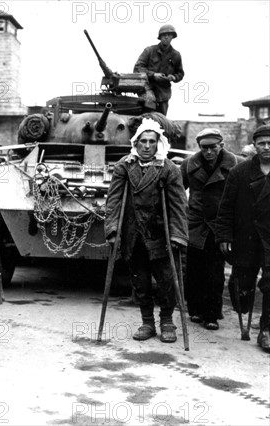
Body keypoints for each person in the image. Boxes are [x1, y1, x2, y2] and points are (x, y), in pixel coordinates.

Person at [105, 118, 188, 343]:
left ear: (158, 143)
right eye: (143, 141)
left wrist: (178, 234)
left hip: (161, 234)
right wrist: (112, 229)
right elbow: (113, 200)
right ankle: (147, 323)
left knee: (166, 280)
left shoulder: (168, 168)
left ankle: (167, 321)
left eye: (152, 141)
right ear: (136, 142)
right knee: (140, 282)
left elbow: (178, 204)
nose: (147, 146)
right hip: (134, 233)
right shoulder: (125, 164)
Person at [217, 124, 270, 352]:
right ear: (255, 146)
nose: (267, 147)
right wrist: (224, 235)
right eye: (262, 143)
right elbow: (226, 206)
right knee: (242, 286)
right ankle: (243, 302)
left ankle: (266, 330)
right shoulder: (240, 172)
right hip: (245, 236)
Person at [180, 129, 238, 330]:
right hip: (195, 223)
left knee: (215, 271)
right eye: (204, 148)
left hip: (219, 224)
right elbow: (178, 190)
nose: (209, 152)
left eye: (213, 147)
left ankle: (212, 314)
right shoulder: (189, 164)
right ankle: (195, 310)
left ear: (221, 145)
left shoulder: (235, 164)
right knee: (194, 269)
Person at [134, 24, 184, 116]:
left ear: (172, 37)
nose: (166, 37)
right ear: (160, 37)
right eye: (164, 35)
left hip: (163, 94)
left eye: (169, 35)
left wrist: (174, 77)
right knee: (145, 120)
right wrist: (153, 75)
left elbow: (180, 73)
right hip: (147, 91)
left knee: (161, 122)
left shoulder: (176, 55)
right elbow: (137, 68)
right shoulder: (149, 51)